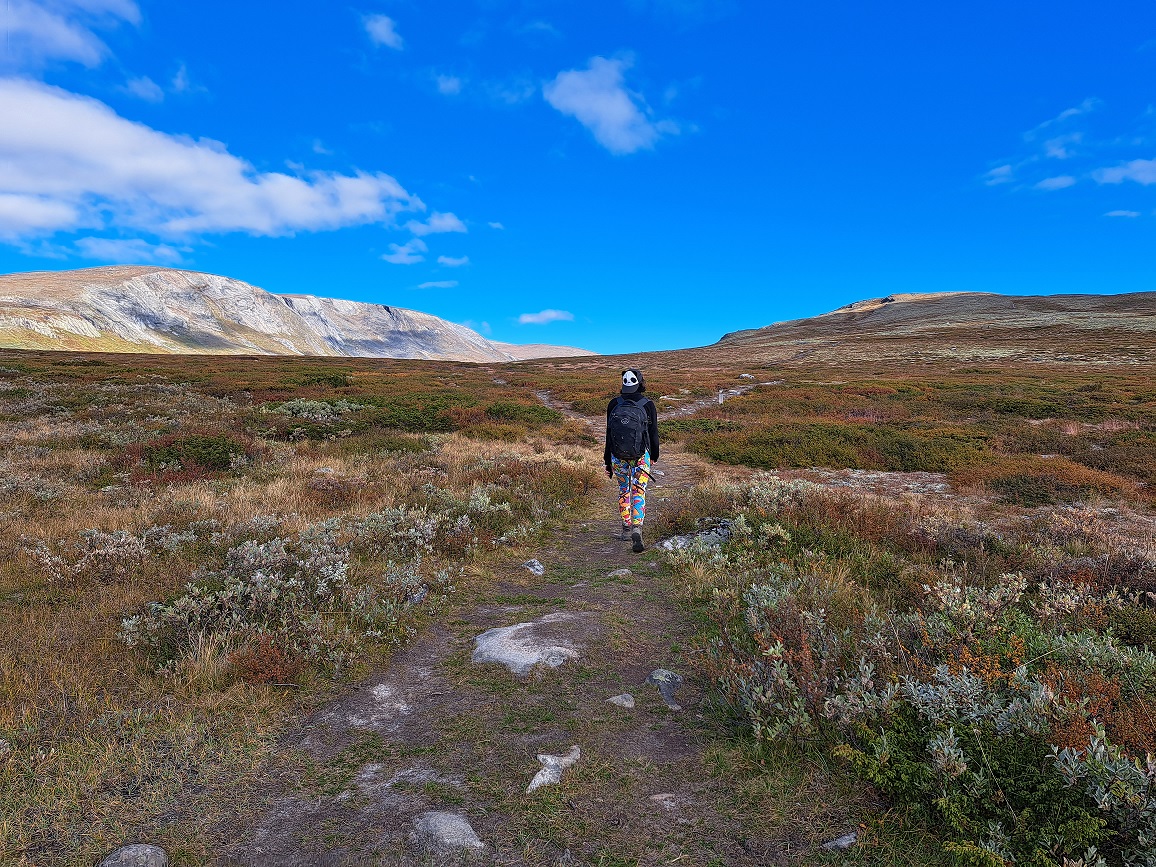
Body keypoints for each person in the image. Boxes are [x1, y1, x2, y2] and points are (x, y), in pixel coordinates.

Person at [604, 368, 660, 553]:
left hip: (617, 455)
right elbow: (653, 434)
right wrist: (654, 455)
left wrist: (607, 461)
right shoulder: (647, 404)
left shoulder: (614, 403)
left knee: (623, 490)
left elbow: (608, 434)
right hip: (641, 456)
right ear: (641, 382)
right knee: (638, 490)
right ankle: (637, 527)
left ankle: (626, 529)